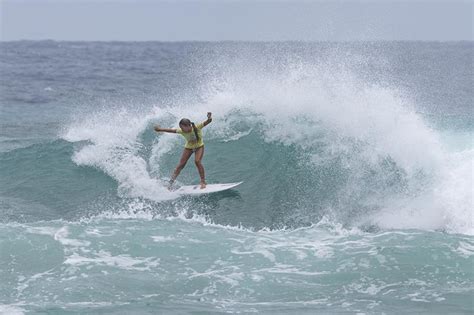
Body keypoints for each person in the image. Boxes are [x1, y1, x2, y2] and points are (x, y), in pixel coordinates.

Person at [154, 112, 212, 189]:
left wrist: (209, 117)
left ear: (188, 126)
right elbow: (171, 130)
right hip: (189, 147)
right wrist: (160, 129)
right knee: (181, 165)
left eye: (182, 127)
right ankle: (170, 183)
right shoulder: (182, 131)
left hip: (199, 147)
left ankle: (203, 181)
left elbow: (207, 122)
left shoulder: (197, 127)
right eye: (181, 128)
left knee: (197, 161)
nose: (181, 129)